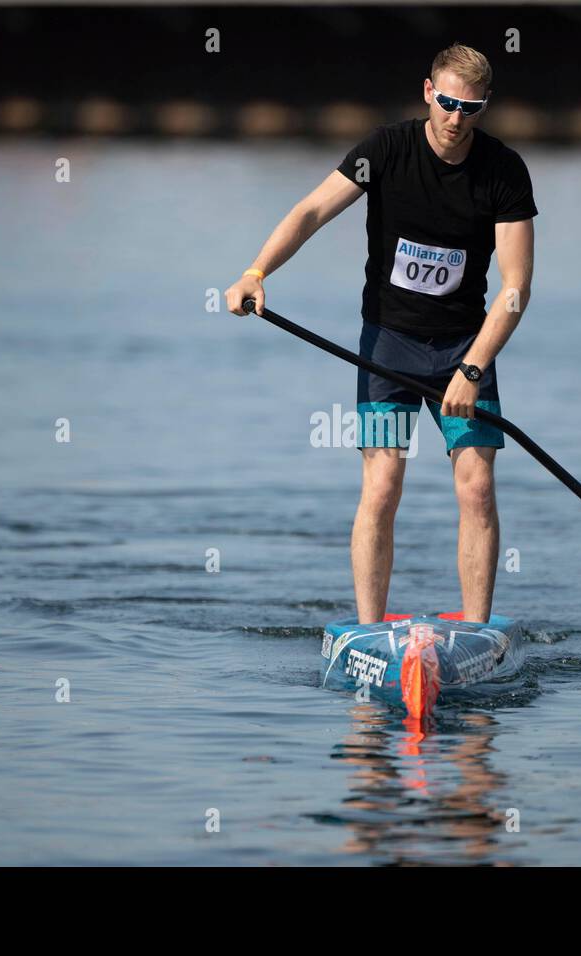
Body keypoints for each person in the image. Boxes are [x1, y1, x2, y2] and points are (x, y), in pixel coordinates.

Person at [225, 43, 536, 625]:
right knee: (384, 484)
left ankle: (476, 631)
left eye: (469, 108)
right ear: (427, 92)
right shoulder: (384, 151)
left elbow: (516, 288)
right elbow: (312, 211)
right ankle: (369, 631)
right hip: (388, 343)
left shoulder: (504, 171)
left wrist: (471, 369)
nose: (454, 118)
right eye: (445, 102)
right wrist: (256, 272)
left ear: (484, 106)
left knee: (476, 487)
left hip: (465, 349)